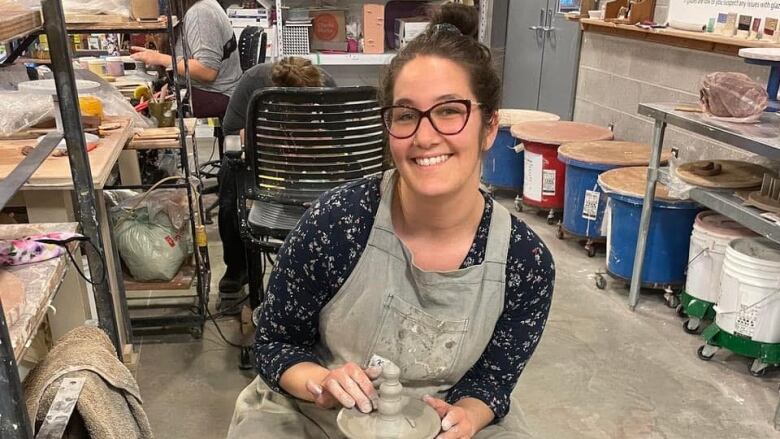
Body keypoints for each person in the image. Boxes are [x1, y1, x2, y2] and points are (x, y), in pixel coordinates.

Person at [228, 4, 555, 439]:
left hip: (439, 422)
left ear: (489, 126)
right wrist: (319, 380)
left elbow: (492, 382)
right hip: (322, 414)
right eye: (405, 115)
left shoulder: (524, 262)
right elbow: (274, 344)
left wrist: (470, 416)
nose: (424, 136)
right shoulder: (338, 223)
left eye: (449, 111)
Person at [217, 57, 336, 311]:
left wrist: (313, 141)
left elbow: (337, 141)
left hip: (309, 159)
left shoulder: (326, 88)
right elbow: (230, 129)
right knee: (229, 173)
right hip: (263, 156)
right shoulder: (253, 81)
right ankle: (237, 268)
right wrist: (259, 136)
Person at [130, 0, 241, 118]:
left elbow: (207, 70)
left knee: (145, 113)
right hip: (210, 92)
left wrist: (161, 58)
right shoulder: (200, 7)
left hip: (217, 95)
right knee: (143, 101)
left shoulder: (200, 12)